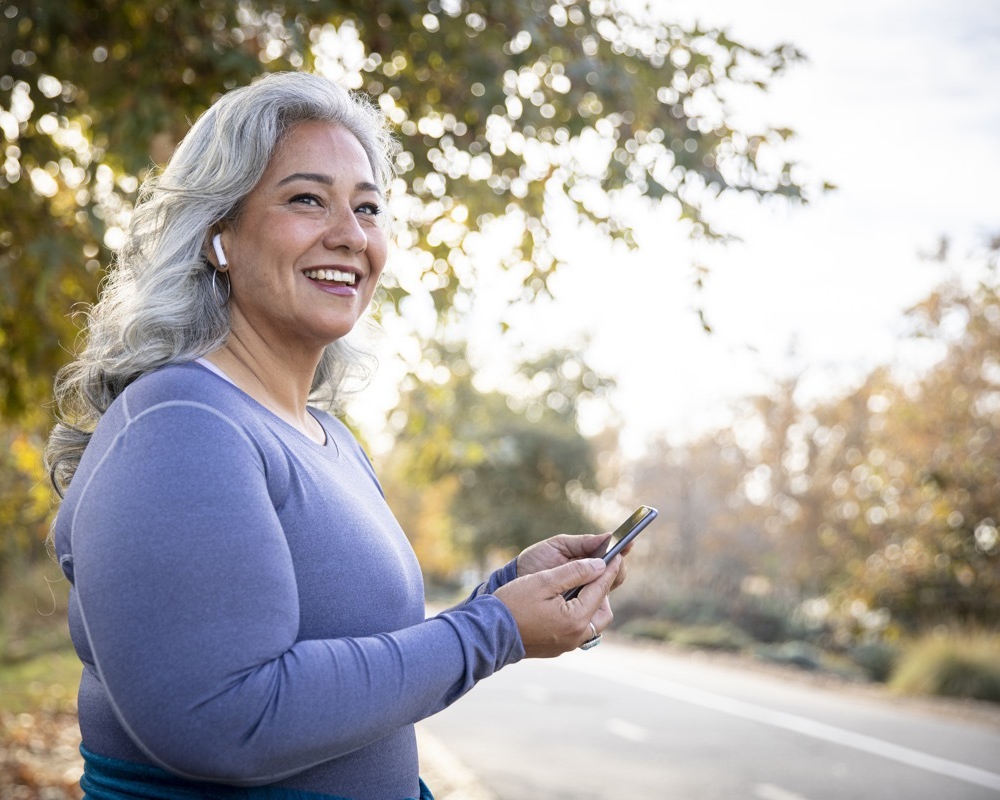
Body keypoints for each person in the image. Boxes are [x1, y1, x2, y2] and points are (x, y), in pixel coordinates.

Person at [45, 71, 625, 800]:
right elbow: (224, 721)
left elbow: (357, 668)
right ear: (218, 234)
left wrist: (506, 596)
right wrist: (493, 632)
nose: (349, 235)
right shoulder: (178, 424)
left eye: (368, 208)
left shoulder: (329, 438)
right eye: (306, 199)